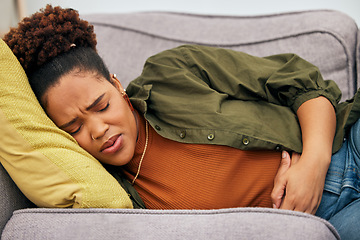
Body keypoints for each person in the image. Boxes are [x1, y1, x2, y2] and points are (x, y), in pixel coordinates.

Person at [4, 5, 360, 239]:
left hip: (346, 143)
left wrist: (313, 163)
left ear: (116, 85)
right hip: (326, 219)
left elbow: (301, 82)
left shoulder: (172, 72)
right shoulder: (117, 200)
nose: (97, 130)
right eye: (74, 129)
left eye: (101, 105)